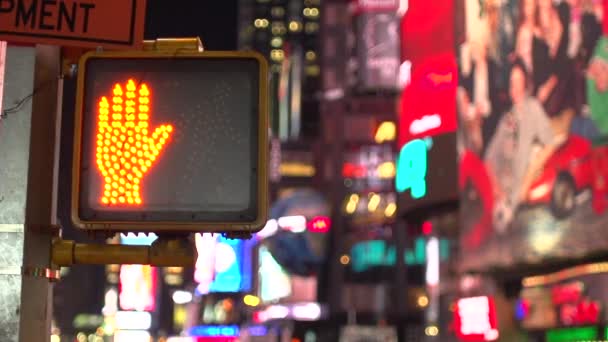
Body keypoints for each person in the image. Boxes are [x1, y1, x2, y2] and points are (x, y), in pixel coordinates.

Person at [485, 60, 559, 232]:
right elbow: (489, 158)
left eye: (519, 82)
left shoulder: (533, 108)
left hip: (516, 192)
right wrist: (496, 190)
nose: (516, 88)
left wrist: (530, 174)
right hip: (499, 191)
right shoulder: (506, 119)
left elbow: (551, 143)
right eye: (512, 83)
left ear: (526, 83)